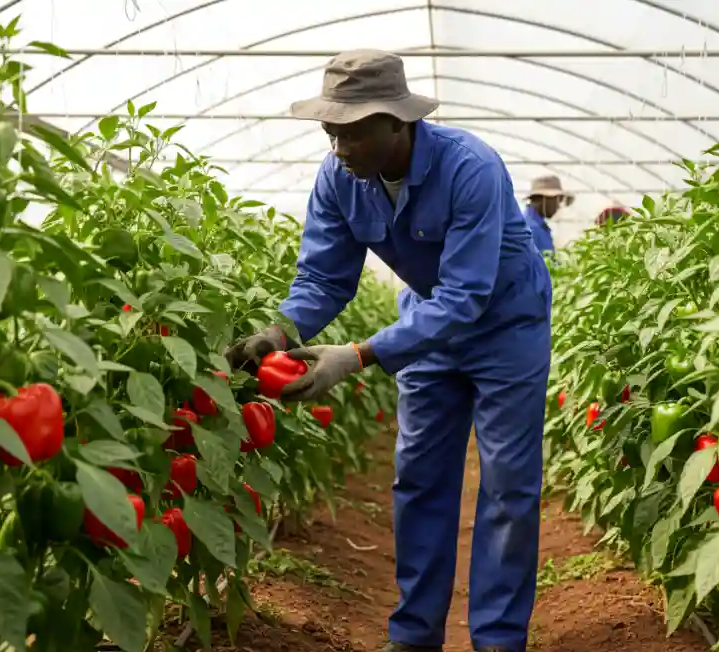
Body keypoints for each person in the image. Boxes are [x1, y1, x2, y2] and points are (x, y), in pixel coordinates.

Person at [223, 49, 552, 652]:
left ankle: (499, 639)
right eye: (330, 132)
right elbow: (324, 277)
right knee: (420, 474)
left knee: (508, 482)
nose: (339, 147)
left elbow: (466, 296)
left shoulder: (470, 168)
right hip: (426, 324)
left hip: (506, 324)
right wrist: (281, 332)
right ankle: (415, 635)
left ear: (398, 124)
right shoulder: (338, 178)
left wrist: (357, 355)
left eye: (351, 133)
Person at [522, 175, 573, 254]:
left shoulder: (539, 225)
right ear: (544, 199)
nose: (558, 206)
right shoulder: (530, 228)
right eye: (557, 200)